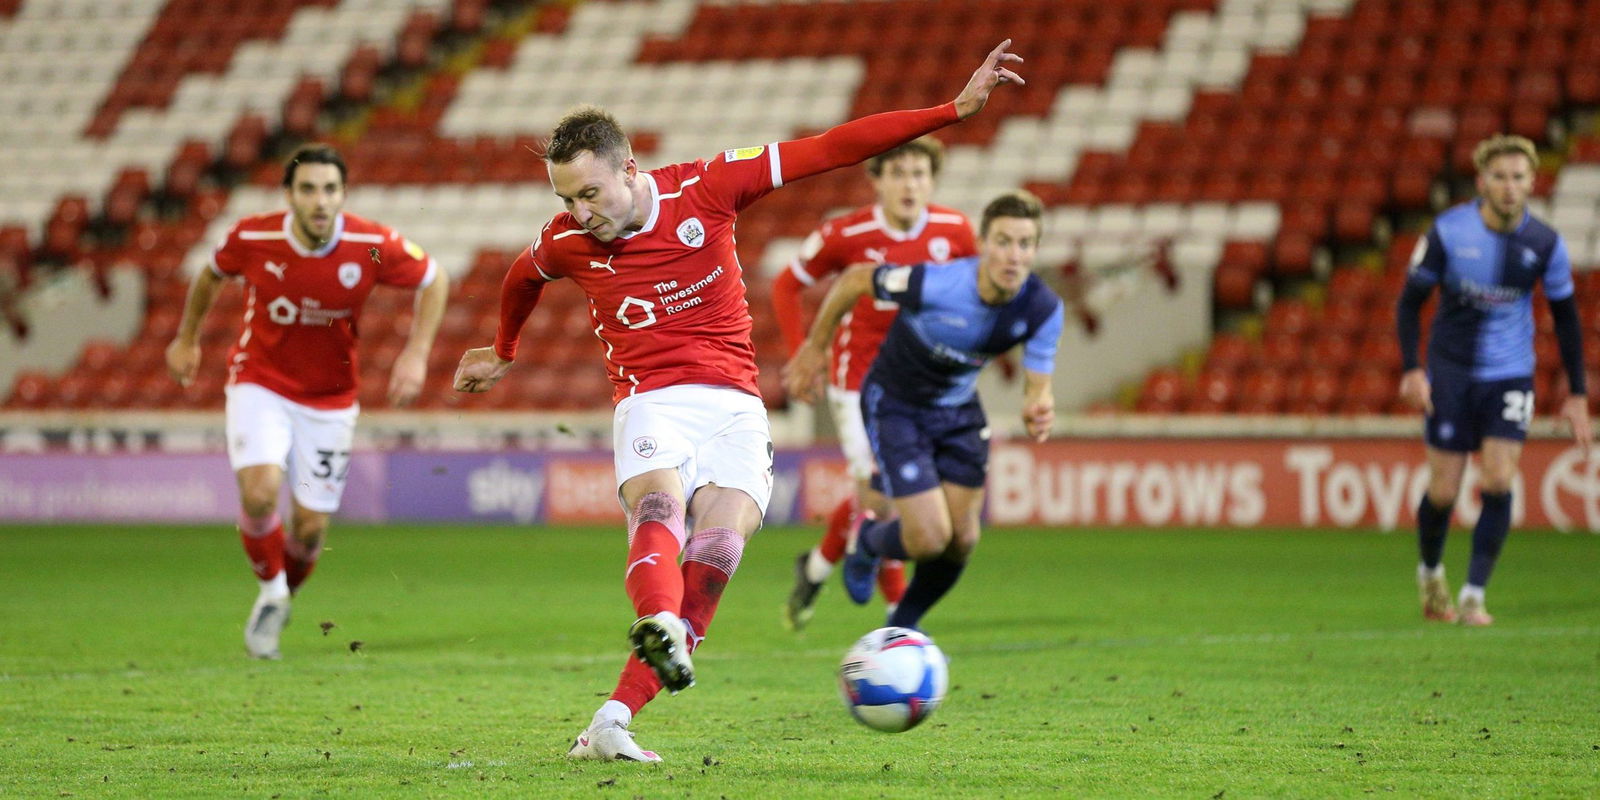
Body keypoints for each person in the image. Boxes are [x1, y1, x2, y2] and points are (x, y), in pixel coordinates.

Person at [452, 41, 1025, 763]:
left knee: (719, 547)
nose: (578, 211)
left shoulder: (708, 188)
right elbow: (521, 277)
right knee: (660, 507)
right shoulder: (567, 241)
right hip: (650, 399)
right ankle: (659, 620)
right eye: (565, 198)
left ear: (629, 170)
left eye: (589, 193)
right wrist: (503, 350)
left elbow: (833, 148)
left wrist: (951, 111)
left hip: (733, 405)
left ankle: (611, 720)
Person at [165, 144, 449, 659]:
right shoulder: (254, 236)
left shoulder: (370, 244)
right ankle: (272, 591)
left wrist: (417, 352)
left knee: (311, 529)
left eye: (330, 189)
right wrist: (187, 338)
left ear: (343, 194)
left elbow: (433, 278)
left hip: (331, 399)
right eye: (309, 189)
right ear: (289, 196)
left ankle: (279, 597)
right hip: (261, 381)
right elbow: (209, 274)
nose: (320, 201)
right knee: (259, 491)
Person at [782, 189, 1064, 634]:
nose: (1014, 255)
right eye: (1004, 241)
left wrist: (1039, 407)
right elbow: (857, 278)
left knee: (963, 539)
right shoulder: (939, 283)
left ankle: (905, 626)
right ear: (984, 244)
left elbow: (1038, 386)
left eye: (1025, 244)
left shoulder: (1043, 309)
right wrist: (816, 347)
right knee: (929, 539)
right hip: (897, 406)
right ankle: (868, 544)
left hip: (958, 411)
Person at [771, 136, 978, 630]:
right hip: (858, 381)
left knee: (891, 494)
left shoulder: (956, 231)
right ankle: (898, 619)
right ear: (877, 179)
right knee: (885, 498)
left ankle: (816, 566)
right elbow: (786, 285)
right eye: (899, 172)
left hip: (925, 383)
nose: (910, 184)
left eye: (920, 174)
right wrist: (806, 348)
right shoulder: (846, 233)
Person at [1397, 133, 1592, 626]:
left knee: (1500, 478)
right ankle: (1430, 571)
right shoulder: (1448, 232)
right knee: (1443, 491)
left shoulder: (1544, 243)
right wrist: (1412, 368)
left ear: (1532, 182)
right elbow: (1409, 303)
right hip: (1450, 373)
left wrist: (1576, 394)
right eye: (1500, 177)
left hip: (1509, 374)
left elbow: (1567, 319)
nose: (1509, 187)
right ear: (1482, 181)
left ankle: (1473, 595)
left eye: (1518, 177)